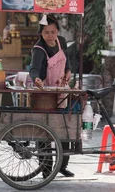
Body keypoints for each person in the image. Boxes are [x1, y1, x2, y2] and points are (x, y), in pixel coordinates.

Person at [29, 14, 73, 178]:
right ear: (41, 33)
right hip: (44, 93)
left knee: (64, 127)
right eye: (46, 32)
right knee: (44, 131)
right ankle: (46, 168)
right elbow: (33, 69)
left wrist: (68, 72)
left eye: (53, 32)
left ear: (57, 31)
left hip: (61, 90)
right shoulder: (38, 49)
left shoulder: (61, 41)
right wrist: (36, 79)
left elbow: (67, 62)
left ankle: (62, 165)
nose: (50, 36)